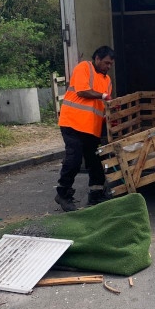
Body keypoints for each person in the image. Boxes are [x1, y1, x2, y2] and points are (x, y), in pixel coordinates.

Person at [55, 46, 115, 212]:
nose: (108, 66)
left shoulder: (107, 80)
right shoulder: (84, 68)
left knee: (96, 162)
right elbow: (82, 92)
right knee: (74, 160)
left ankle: (95, 194)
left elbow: (101, 106)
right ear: (97, 59)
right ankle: (63, 193)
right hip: (72, 124)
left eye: (110, 64)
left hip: (91, 129)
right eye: (106, 63)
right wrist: (103, 96)